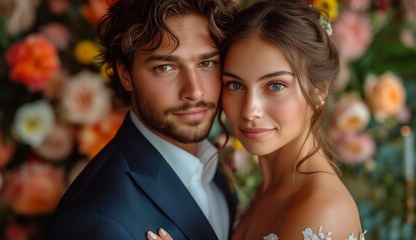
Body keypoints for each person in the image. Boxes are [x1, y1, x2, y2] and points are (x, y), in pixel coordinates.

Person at [147, 0, 366, 239]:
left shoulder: (323, 210)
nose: (250, 111)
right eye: (235, 85)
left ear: (320, 90)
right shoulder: (264, 189)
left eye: (275, 85)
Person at [44, 0, 238, 239]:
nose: (194, 91)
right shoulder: (95, 217)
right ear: (126, 75)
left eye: (206, 63)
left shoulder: (216, 170)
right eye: (166, 67)